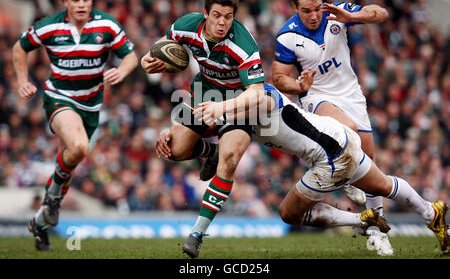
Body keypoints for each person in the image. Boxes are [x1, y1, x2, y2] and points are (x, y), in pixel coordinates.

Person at [157, 81, 449, 257]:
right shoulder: (238, 105)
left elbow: (263, 100)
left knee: (289, 214)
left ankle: (363, 220)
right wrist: (170, 132)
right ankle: (431, 212)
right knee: (383, 185)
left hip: (329, 160)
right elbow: (194, 128)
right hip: (339, 137)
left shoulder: (253, 101)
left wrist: (219, 113)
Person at [12, 0, 138, 251]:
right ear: (65, 2)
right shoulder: (47, 27)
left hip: (92, 104)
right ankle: (53, 199)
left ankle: (40, 222)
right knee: (79, 147)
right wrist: (22, 81)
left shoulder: (106, 25)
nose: (82, 4)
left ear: (92, 0)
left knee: (69, 164)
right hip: (59, 98)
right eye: (76, 0)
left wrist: (123, 70)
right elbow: (20, 49)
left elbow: (131, 55)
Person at [141, 0, 265, 258]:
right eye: (217, 15)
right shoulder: (186, 25)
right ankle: (211, 151)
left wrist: (222, 107)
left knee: (230, 158)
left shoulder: (243, 44)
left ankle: (196, 233)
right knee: (172, 150)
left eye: (229, 17)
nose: (222, 22)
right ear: (205, 13)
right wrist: (147, 61)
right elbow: (159, 47)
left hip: (238, 101)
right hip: (204, 92)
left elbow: (256, 92)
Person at [272, 0, 389, 240]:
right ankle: (347, 180)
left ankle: (377, 231)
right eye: (306, 10)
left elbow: (381, 13)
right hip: (316, 96)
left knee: (370, 163)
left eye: (317, 8)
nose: (314, 16)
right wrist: (299, 85)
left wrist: (351, 15)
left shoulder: (337, 13)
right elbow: (279, 78)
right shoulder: (287, 36)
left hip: (351, 94)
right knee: (347, 132)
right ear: (294, 7)